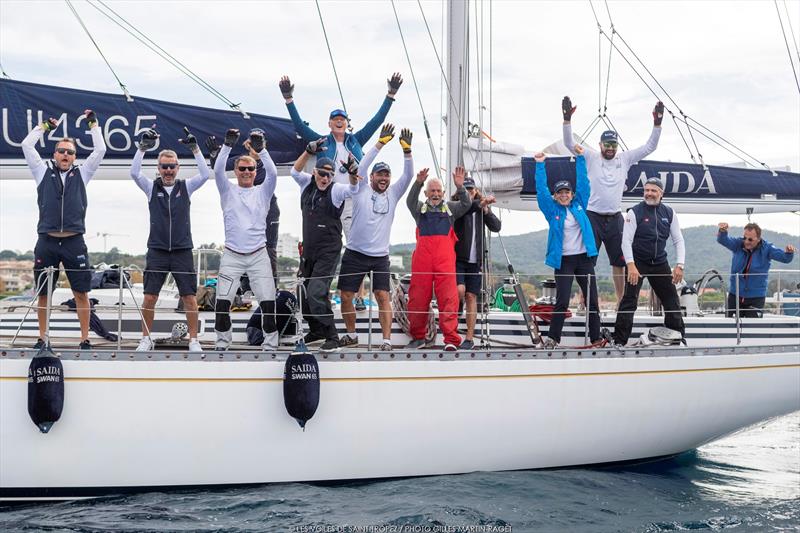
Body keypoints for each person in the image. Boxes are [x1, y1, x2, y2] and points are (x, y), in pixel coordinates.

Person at [562, 96, 664, 304]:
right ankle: (585, 300)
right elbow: (569, 143)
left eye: (613, 144)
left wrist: (657, 123)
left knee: (620, 262)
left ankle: (620, 300)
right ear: (600, 144)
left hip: (615, 217)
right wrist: (566, 120)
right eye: (607, 143)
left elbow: (649, 147)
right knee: (587, 259)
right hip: (592, 216)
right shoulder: (590, 156)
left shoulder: (624, 159)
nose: (610, 147)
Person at [279, 73, 402, 241]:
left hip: (353, 199)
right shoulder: (321, 141)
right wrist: (288, 99)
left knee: (357, 241)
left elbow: (376, 121)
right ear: (329, 124)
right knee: (326, 243)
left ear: (347, 123)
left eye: (342, 119)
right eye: (335, 119)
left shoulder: (357, 139)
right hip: (330, 198)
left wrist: (391, 95)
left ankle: (360, 267)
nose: (339, 122)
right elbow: (300, 128)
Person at [21, 110, 106, 350]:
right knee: (44, 294)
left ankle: (84, 338)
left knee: (81, 293)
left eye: (70, 152)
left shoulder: (83, 173)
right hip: (46, 241)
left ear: (74, 156)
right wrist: (45, 127)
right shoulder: (41, 171)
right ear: (55, 154)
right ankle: (43, 337)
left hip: (74, 242)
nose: (65, 155)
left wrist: (93, 124)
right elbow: (27, 145)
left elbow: (99, 151)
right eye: (61, 151)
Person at [130, 127, 209, 352]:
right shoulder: (150, 187)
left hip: (182, 249)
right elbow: (134, 173)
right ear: (158, 168)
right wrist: (142, 148)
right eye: (164, 166)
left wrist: (195, 149)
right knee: (150, 297)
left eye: (171, 166)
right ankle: (146, 339)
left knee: (190, 298)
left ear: (177, 168)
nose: (168, 170)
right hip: (157, 249)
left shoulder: (186, 187)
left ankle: (193, 340)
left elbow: (204, 174)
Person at [337, 124, 416, 351]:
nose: (383, 178)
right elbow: (360, 167)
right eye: (379, 174)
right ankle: (351, 335)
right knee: (346, 295)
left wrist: (407, 151)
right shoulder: (361, 189)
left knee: (383, 295)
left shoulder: (394, 192)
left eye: (386, 174)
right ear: (371, 176)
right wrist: (379, 144)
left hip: (380, 256)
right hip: (355, 253)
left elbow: (409, 175)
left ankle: (387, 341)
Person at [211, 129, 279, 351]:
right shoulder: (226, 190)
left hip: (259, 254)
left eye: (251, 168)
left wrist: (261, 150)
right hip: (232, 255)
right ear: (236, 171)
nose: (247, 172)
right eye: (242, 168)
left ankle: (270, 346)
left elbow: (273, 173)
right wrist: (227, 145)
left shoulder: (263, 191)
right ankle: (222, 345)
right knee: (221, 304)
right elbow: (218, 169)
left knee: (268, 303)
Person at [290, 138, 360, 352]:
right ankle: (317, 330)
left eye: (329, 175)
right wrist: (307, 152)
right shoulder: (306, 184)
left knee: (316, 292)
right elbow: (294, 171)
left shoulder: (337, 190)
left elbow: (354, 190)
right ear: (315, 173)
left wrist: (353, 173)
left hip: (328, 252)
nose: (325, 178)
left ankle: (332, 335)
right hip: (309, 252)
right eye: (322, 174)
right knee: (302, 294)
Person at [533, 147, 601, 348]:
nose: (564, 195)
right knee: (562, 301)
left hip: (584, 259)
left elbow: (584, 183)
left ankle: (596, 338)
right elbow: (541, 191)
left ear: (572, 195)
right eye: (560, 193)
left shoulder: (579, 203)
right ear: (556, 196)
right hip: (563, 261)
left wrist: (580, 158)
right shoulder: (551, 208)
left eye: (567, 192)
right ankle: (553, 338)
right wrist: (539, 165)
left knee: (592, 301)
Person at [612, 177, 686, 346]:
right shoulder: (634, 212)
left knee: (672, 301)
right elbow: (626, 241)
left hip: (659, 262)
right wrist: (630, 265)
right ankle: (619, 341)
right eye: (646, 190)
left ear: (661, 193)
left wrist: (680, 265)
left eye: (653, 190)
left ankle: (678, 339)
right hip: (637, 262)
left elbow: (678, 240)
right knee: (629, 301)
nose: (649, 194)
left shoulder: (669, 213)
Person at [405, 167, 472, 350]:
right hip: (422, 262)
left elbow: (466, 204)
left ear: (443, 193)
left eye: (438, 191)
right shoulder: (419, 209)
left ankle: (451, 340)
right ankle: (418, 337)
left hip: (445, 262)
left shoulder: (450, 208)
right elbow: (409, 201)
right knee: (417, 298)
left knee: (448, 299)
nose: (435, 194)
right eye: (431, 191)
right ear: (426, 193)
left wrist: (460, 186)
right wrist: (418, 183)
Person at [207, 130, 281, 288]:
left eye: (259, 143)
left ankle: (271, 287)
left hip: (266, 206)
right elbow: (218, 168)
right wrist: (216, 153)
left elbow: (291, 156)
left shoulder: (268, 158)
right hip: (244, 206)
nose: (246, 172)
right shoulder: (241, 161)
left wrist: (307, 149)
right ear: (247, 145)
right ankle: (244, 286)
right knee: (242, 242)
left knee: (269, 248)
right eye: (253, 143)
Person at [452, 177, 502, 350]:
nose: (469, 192)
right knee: (460, 291)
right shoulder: (456, 207)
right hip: (459, 258)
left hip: (476, 261)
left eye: (471, 189)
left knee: (471, 296)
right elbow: (465, 209)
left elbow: (496, 227)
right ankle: (457, 314)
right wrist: (477, 205)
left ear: (476, 190)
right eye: (465, 189)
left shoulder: (482, 208)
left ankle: (469, 337)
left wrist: (486, 210)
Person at [717, 222, 795, 317]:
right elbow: (723, 240)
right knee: (731, 326)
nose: (746, 241)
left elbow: (785, 258)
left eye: (750, 239)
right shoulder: (738, 244)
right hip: (735, 295)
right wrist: (722, 230)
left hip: (756, 298)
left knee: (753, 328)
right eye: (745, 237)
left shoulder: (767, 248)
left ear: (758, 239)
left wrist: (789, 253)